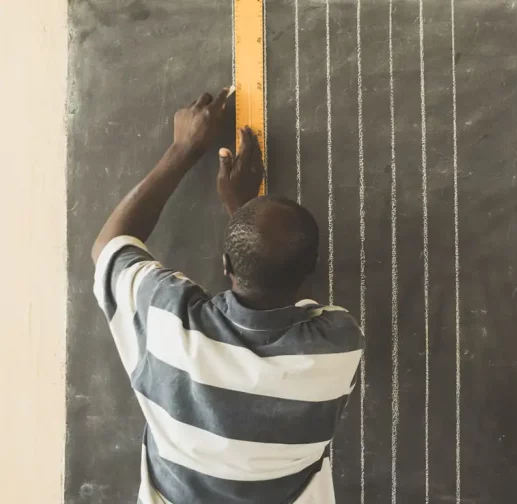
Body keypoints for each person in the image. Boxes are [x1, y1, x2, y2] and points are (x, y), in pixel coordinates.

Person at [91, 89, 364, 504]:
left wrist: (183, 150)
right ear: (311, 270)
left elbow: (109, 248)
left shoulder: (167, 323)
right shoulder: (338, 345)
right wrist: (245, 211)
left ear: (225, 265)